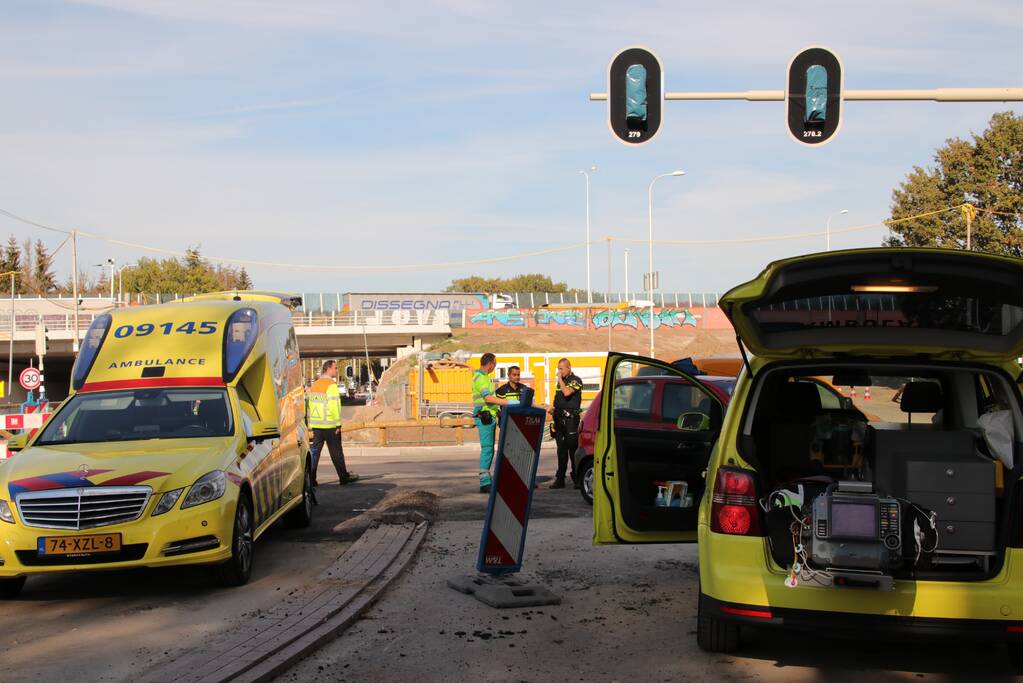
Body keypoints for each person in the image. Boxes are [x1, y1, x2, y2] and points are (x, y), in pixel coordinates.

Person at [307, 360, 359, 485]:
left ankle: (311, 479)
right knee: (336, 452)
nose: (337, 370)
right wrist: (337, 424)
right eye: (335, 368)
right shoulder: (331, 385)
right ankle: (343, 476)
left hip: (317, 426)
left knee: (315, 453)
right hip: (330, 425)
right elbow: (334, 406)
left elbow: (311, 404)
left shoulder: (315, 385)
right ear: (328, 369)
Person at [473, 353, 510, 493]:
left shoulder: (483, 377)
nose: (494, 367)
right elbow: (488, 398)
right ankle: (484, 481)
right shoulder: (481, 378)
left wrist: (498, 411)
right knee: (488, 448)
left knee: (489, 448)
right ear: (490, 364)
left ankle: (487, 478)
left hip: (489, 415)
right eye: (495, 364)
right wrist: (508, 402)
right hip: (484, 417)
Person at [547, 358, 583, 489]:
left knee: (573, 450)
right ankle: (560, 479)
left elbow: (567, 393)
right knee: (561, 451)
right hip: (559, 420)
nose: (559, 371)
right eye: (558, 369)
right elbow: (560, 399)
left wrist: (560, 380)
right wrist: (552, 408)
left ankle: (577, 478)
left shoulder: (576, 380)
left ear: (569, 368)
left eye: (561, 369)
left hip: (571, 421)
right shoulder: (560, 383)